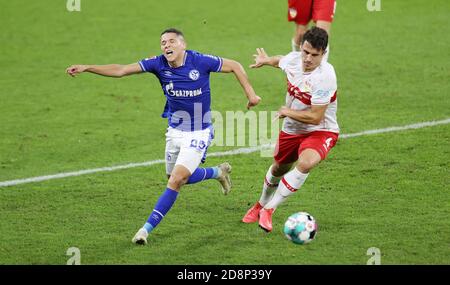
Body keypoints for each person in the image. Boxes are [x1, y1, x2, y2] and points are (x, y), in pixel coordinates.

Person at [66, 28, 261, 244]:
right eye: (162, 43)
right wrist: (88, 67)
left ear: (182, 45)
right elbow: (121, 70)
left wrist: (251, 95)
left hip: (199, 131)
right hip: (174, 131)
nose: (166, 45)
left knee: (176, 180)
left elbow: (234, 65)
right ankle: (217, 172)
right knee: (174, 178)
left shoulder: (200, 61)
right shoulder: (157, 64)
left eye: (171, 41)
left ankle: (144, 230)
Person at [242, 27, 338, 232]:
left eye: (314, 55)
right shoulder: (295, 59)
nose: (308, 59)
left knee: (306, 162)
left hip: (321, 129)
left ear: (323, 54)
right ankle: (259, 205)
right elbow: (281, 61)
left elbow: (315, 117)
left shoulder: (325, 77)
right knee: (279, 168)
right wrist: (266, 60)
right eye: (305, 52)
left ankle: (269, 209)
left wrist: (288, 111)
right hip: (292, 128)